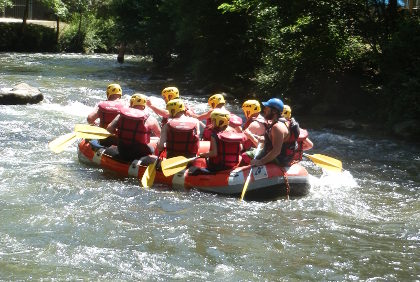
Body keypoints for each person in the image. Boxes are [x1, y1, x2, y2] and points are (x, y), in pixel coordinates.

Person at [107, 93, 161, 161]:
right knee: (153, 147)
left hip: (122, 150)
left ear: (132, 103)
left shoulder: (121, 115)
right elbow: (160, 135)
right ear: (144, 105)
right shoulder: (150, 118)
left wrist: (117, 133)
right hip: (140, 153)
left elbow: (109, 128)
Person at [250, 98, 300, 167]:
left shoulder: (277, 127)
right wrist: (259, 138)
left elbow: (276, 151)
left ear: (274, 111)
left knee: (246, 155)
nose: (264, 110)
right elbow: (277, 140)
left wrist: (260, 162)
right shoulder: (284, 122)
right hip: (282, 156)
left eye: (267, 108)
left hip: (279, 159)